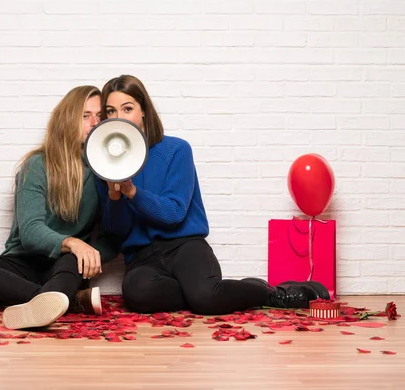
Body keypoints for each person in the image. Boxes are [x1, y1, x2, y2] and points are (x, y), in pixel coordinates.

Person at [95, 75, 330, 315]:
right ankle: (204, 292)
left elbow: (174, 213)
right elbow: (117, 232)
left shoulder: (176, 150)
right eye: (111, 111)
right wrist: (114, 197)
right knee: (138, 296)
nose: (119, 118)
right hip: (142, 258)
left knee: (206, 298)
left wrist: (131, 192)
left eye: (127, 109)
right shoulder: (104, 163)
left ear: (143, 110)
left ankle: (273, 294)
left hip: (184, 246)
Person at [0, 85, 120, 329]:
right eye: (85, 115)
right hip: (22, 265)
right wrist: (73, 242)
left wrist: (89, 253)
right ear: (68, 119)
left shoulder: (106, 171)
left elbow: (110, 239)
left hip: (65, 267)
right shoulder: (37, 164)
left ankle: (49, 301)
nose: (94, 122)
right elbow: (30, 232)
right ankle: (67, 302)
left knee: (72, 260)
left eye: (100, 116)